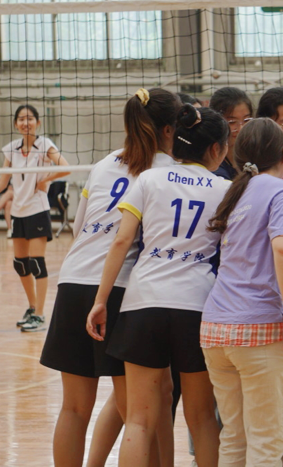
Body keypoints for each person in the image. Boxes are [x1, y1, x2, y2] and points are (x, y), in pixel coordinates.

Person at [40, 87, 181, 467]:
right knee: (138, 413)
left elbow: (78, 227)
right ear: (170, 129)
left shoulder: (104, 164)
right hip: (118, 288)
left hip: (73, 282)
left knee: (73, 408)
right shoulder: (169, 171)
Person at [86, 104, 229, 467]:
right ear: (216, 148)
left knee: (138, 419)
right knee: (201, 418)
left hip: (143, 303)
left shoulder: (149, 179)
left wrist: (101, 300)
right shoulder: (227, 189)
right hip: (197, 307)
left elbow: (122, 241)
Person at [201, 118, 283, 465]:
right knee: (266, 443)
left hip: (216, 329)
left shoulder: (235, 192)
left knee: (234, 438)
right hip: (259, 329)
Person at [1, 104, 70, 332]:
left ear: (38, 123)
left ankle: (40, 315)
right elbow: (2, 183)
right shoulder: (11, 149)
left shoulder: (45, 145)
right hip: (18, 212)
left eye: (30, 118)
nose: (25, 123)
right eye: (21, 119)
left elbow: (66, 167)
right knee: (20, 264)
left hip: (37, 210)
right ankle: (32, 308)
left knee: (36, 263)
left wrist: (45, 180)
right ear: (15, 124)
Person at [209, 87, 254, 180]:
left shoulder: (258, 157)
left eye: (246, 120)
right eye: (232, 122)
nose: (241, 128)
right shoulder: (215, 171)